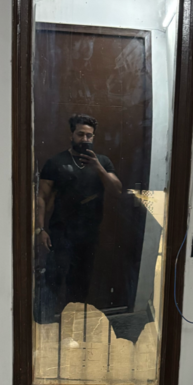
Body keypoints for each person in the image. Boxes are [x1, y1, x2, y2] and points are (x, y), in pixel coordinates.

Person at [35, 114, 122, 322]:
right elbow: (41, 198)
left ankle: (72, 326)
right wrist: (40, 229)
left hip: (89, 235)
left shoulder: (102, 162)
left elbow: (117, 189)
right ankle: (43, 324)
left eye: (89, 136)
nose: (85, 139)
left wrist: (98, 168)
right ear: (71, 135)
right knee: (53, 280)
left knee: (80, 284)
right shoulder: (56, 162)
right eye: (80, 134)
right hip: (60, 232)